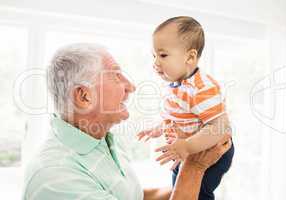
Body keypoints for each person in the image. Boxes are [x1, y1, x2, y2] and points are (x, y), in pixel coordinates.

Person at [22, 43, 232, 200]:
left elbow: (133, 196)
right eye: (116, 75)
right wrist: (194, 167)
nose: (131, 86)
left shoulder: (100, 141)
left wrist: (202, 184)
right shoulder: (55, 178)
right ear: (84, 97)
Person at [137, 16, 234, 200]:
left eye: (163, 55)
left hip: (211, 151)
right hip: (187, 151)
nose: (156, 63)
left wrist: (187, 146)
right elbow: (178, 117)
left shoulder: (202, 87)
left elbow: (220, 127)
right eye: (154, 55)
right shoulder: (177, 85)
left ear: (190, 57)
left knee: (198, 193)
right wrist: (159, 128)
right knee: (178, 187)